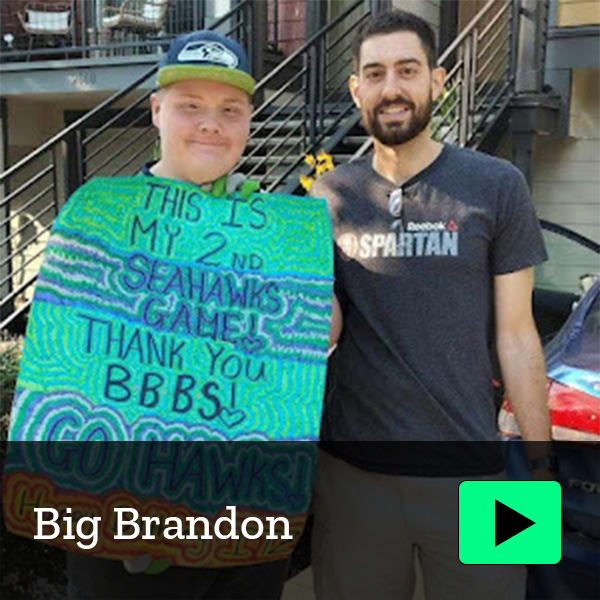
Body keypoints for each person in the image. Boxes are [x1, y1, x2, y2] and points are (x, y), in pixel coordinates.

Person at [64, 30, 341, 600]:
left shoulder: (273, 226)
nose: (211, 124)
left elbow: (322, 335)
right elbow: (66, 361)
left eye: (230, 109)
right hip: (124, 525)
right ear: (157, 110)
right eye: (191, 105)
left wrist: (309, 281)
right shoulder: (101, 219)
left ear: (247, 123)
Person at [310, 10, 552, 600]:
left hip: (481, 469)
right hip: (352, 476)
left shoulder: (497, 184)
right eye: (375, 73)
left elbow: (518, 336)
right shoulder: (327, 194)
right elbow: (321, 326)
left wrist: (542, 473)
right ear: (356, 89)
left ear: (437, 82)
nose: (391, 88)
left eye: (407, 70)